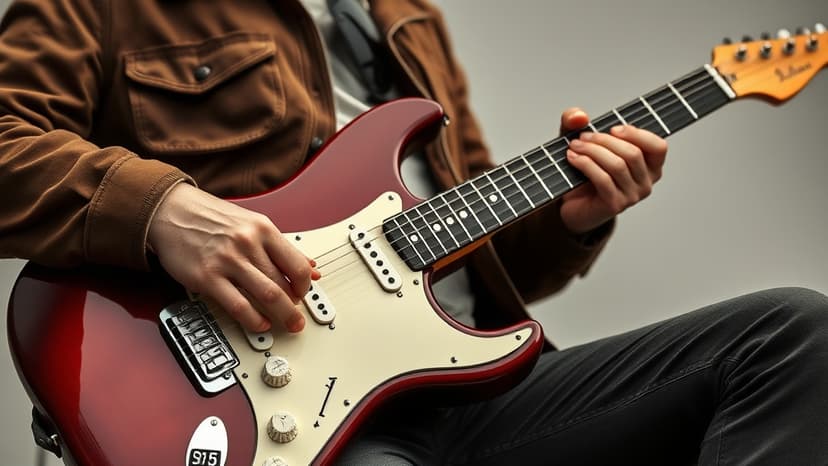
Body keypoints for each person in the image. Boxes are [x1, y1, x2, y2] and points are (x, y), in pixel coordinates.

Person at [0, 0, 826, 464]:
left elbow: (463, 254)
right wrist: (163, 211)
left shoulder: (406, 18)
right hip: (274, 415)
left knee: (793, 335)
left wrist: (575, 219)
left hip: (483, 393)